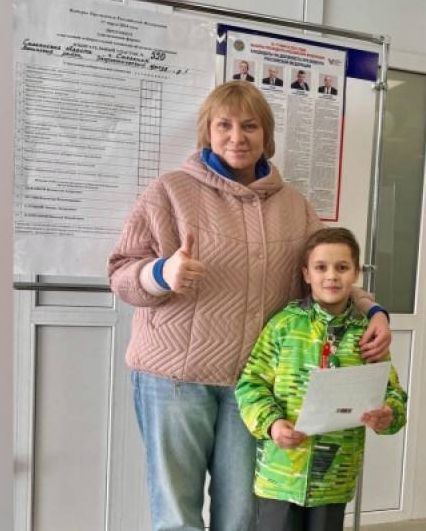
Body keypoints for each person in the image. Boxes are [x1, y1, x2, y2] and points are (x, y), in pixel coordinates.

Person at [108, 81, 392, 531]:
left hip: (252, 385)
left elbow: (323, 270)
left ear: (266, 134)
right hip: (174, 379)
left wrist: (373, 310)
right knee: (176, 514)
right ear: (207, 132)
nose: (237, 137)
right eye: (224, 125)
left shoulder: (294, 206)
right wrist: (162, 273)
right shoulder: (169, 191)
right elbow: (121, 272)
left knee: (241, 515)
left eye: (250, 126)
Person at [235, 227, 407, 531]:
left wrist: (389, 415)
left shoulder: (366, 335)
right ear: (306, 274)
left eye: (342, 267)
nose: (331, 276)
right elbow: (251, 383)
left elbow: (391, 391)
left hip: (334, 478)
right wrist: (272, 424)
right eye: (321, 267)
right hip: (280, 474)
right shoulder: (283, 326)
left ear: (356, 273)